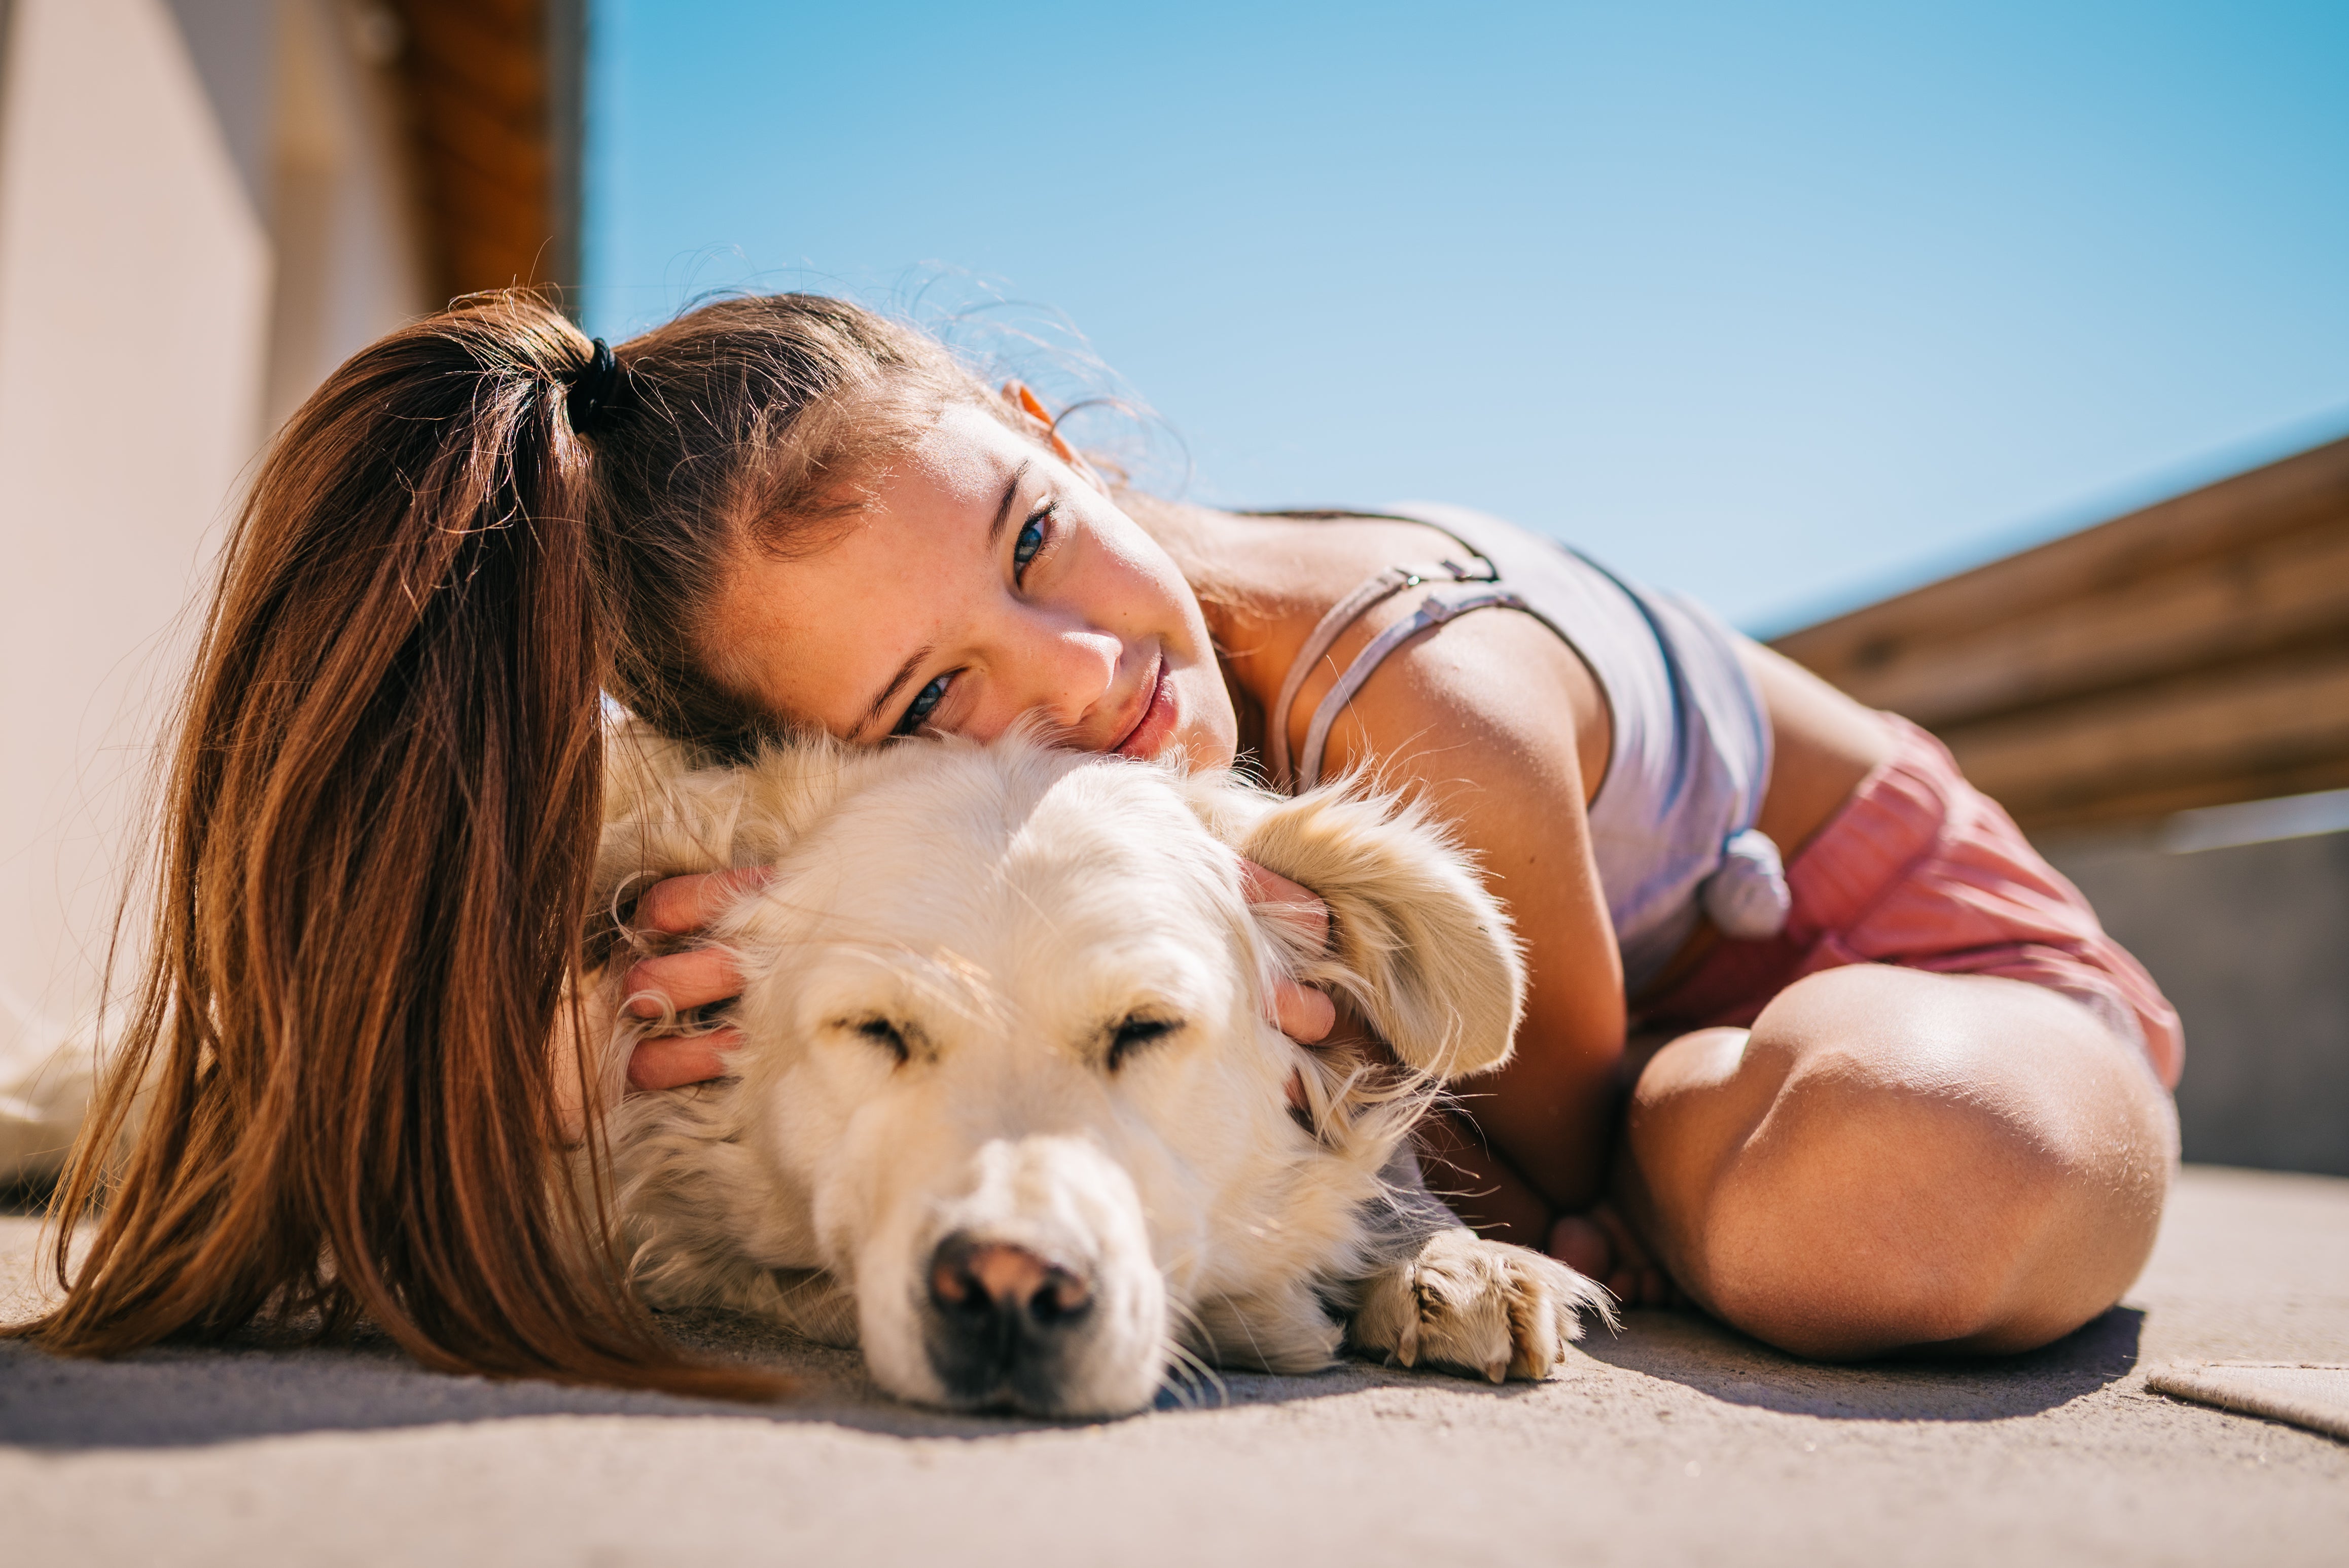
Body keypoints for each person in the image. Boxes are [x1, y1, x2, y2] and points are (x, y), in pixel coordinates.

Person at [18, 291, 2180, 1387]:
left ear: (1045, 439)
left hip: (1885, 965)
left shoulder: (1409, 700)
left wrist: (1368, 1159)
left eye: (1038, 541)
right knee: (1760, 1181)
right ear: (822, 769)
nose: (1074, 681)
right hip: (1661, 1050)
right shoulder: (915, 848)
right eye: (933, 708)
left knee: (1856, 1196)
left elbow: (1559, 1147)